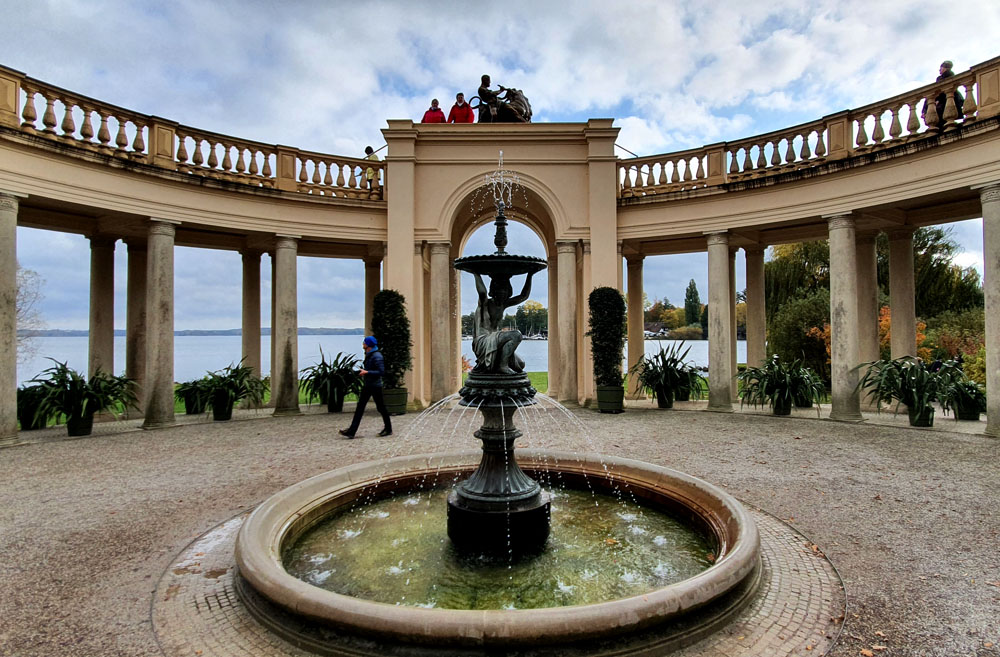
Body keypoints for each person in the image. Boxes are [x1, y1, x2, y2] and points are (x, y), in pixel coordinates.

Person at [470, 270, 534, 374]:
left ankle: (502, 363)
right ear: (493, 291)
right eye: (500, 290)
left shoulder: (503, 305)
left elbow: (523, 296)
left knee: (520, 364)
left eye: (505, 291)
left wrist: (530, 275)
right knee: (516, 335)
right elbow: (482, 293)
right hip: (483, 340)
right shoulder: (485, 304)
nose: (503, 293)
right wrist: (476, 273)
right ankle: (502, 366)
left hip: (495, 338)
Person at [339, 336, 392, 438]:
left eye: (364, 343)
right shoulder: (370, 354)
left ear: (368, 345)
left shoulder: (377, 356)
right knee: (360, 407)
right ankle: (351, 431)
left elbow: (381, 372)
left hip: (375, 386)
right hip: (368, 385)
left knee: (381, 408)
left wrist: (367, 372)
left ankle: (388, 429)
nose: (363, 344)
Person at [924, 60, 964, 126]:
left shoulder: (946, 76)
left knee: (942, 119)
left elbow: (940, 91)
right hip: (945, 101)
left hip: (944, 102)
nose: (939, 70)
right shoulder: (942, 77)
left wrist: (937, 101)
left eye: (941, 68)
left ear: (945, 68)